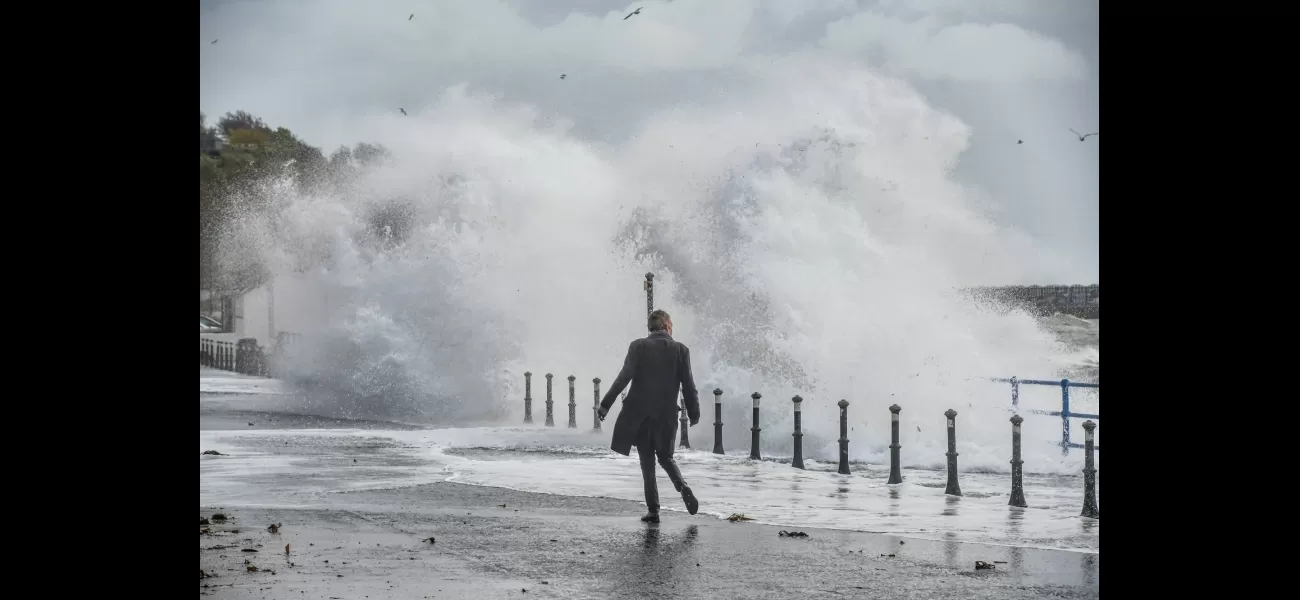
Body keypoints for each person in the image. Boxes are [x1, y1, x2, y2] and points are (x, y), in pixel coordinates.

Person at [598, 309, 700, 523]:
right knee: (666, 457)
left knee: (647, 461)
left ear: (650, 328)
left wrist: (606, 404)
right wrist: (694, 412)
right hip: (667, 416)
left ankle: (653, 510)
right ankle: (682, 486)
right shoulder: (681, 350)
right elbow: (689, 386)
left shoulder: (638, 346)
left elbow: (623, 378)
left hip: (641, 417)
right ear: (667, 326)